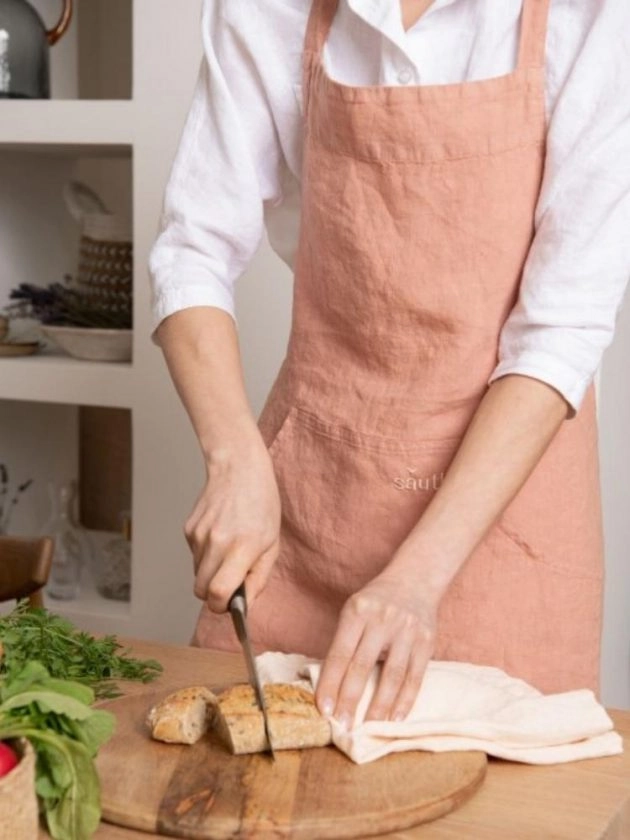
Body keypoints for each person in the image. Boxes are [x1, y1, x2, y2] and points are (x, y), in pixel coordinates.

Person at [149, 0, 630, 727]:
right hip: (313, 506)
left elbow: (560, 329)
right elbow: (194, 249)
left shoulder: (592, 12)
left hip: (503, 522)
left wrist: (417, 577)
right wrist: (233, 456)